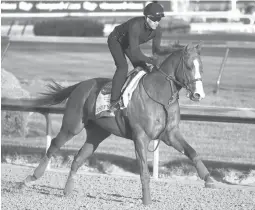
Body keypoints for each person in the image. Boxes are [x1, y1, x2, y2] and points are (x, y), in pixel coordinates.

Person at [107, 2, 175, 113]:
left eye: (159, 20)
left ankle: (140, 98)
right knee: (123, 67)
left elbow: (157, 50)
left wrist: (173, 50)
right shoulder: (135, 26)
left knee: (144, 69)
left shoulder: (158, 30)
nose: (156, 23)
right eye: (154, 20)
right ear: (146, 17)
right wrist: (151, 60)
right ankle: (113, 101)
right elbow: (135, 52)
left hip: (129, 44)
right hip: (115, 40)